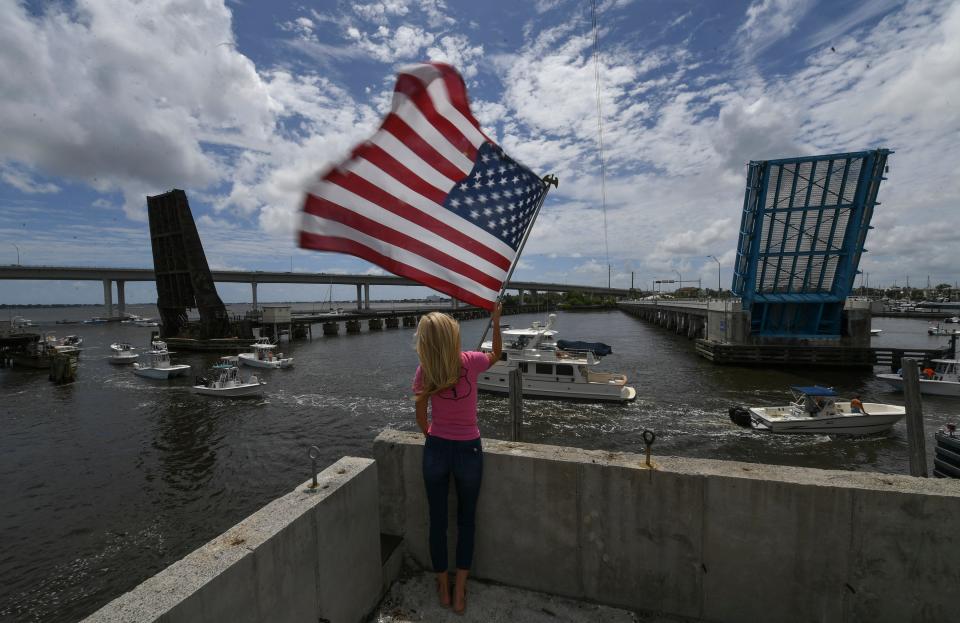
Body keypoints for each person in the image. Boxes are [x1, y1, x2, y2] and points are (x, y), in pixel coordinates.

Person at [413, 303, 501, 614]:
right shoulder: (471, 361)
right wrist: (497, 321)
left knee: (437, 522)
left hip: (437, 449)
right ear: (453, 336)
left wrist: (434, 439)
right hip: (469, 450)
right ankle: (460, 588)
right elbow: (496, 355)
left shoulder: (426, 370)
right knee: (466, 521)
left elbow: (421, 416)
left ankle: (442, 586)